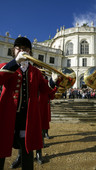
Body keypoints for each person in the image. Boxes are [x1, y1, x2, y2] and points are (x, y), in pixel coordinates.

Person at [0, 37, 61, 170]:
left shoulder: (36, 72)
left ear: (30, 52)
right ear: (14, 50)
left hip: (26, 117)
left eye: (26, 49)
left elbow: (45, 89)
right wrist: (15, 63)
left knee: (27, 150)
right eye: (19, 48)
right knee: (1, 149)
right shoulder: (6, 66)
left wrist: (53, 81)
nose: (22, 51)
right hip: (6, 116)